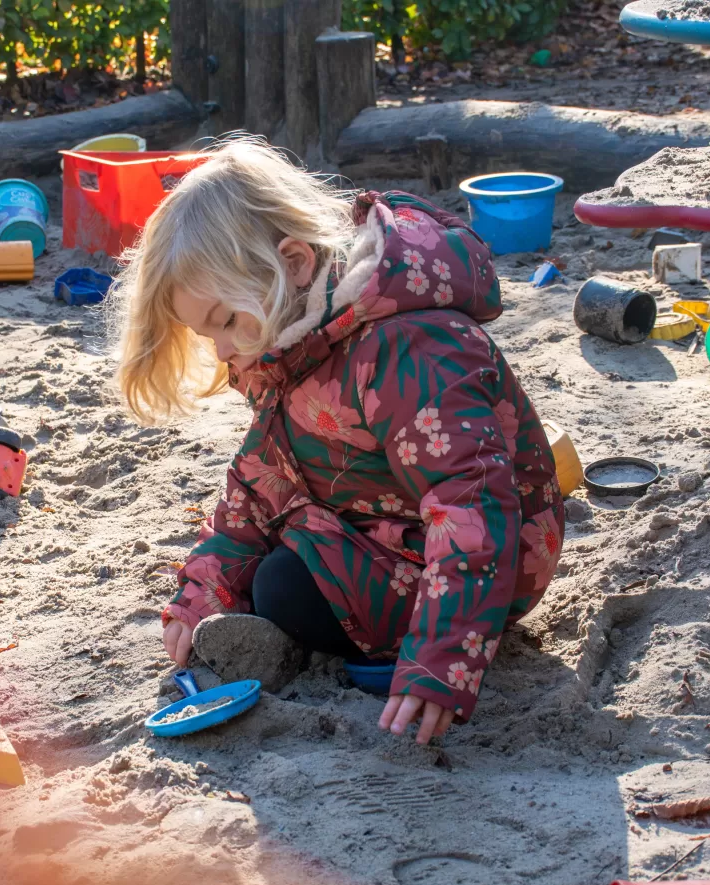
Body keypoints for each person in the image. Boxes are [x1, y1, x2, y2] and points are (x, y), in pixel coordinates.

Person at [112, 136, 564, 745]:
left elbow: (471, 507)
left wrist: (440, 661)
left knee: (284, 588)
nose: (220, 350)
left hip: (487, 565)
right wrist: (203, 590)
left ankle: (401, 640)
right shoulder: (289, 335)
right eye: (204, 333)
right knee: (271, 568)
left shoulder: (410, 347)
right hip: (376, 516)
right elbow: (262, 478)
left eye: (222, 321)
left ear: (294, 262)